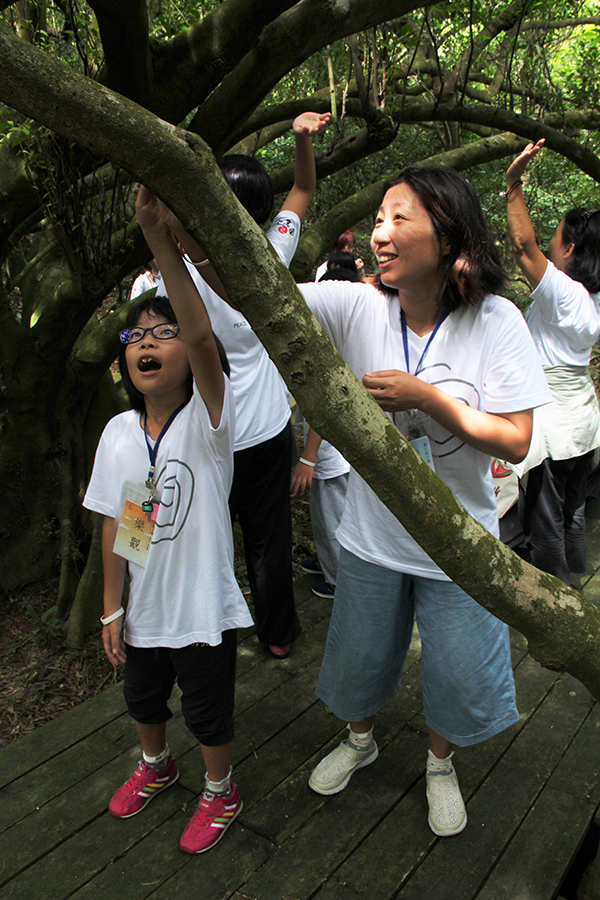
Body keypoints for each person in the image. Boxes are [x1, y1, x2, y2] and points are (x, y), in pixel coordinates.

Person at [297, 167, 551, 837]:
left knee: (456, 665)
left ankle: (440, 764)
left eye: (398, 218)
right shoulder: (357, 306)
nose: (381, 234)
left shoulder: (495, 320)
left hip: (458, 539)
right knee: (360, 654)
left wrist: (430, 399)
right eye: (378, 219)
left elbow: (518, 439)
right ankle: (361, 739)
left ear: (448, 232)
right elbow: (250, 296)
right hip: (371, 535)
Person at [83, 187, 253, 855]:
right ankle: (157, 765)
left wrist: (159, 236)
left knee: (208, 711)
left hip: (200, 609)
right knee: (144, 700)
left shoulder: (210, 421)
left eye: (163, 333)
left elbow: (205, 333)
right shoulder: (125, 431)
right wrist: (110, 608)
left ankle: (221, 790)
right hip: (145, 611)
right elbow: (127, 526)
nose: (147, 343)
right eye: (137, 336)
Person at [159, 111, 330, 659]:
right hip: (265, 433)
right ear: (259, 210)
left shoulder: (169, 273)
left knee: (204, 538)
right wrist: (303, 140)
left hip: (205, 435)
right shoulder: (272, 252)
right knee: (268, 542)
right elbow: (304, 187)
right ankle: (277, 635)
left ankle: (207, 635)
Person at [505, 140, 600, 584]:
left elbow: (524, 248)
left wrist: (513, 184)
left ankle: (556, 602)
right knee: (572, 512)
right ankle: (575, 583)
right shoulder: (595, 298)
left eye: (556, 235)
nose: (549, 242)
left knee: (545, 523)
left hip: (555, 428)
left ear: (571, 248)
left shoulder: (566, 292)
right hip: (583, 419)